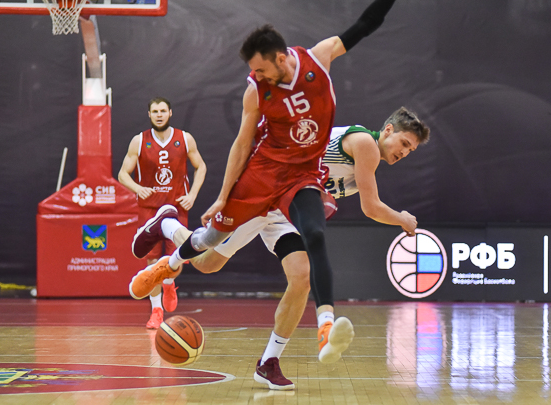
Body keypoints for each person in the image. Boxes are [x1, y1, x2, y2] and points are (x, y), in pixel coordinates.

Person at [128, 0, 414, 368]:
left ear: (281, 59)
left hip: (298, 182)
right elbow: (242, 144)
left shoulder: (319, 59)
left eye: (260, 69)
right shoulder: (257, 92)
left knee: (308, 257)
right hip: (263, 179)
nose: (255, 76)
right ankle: (167, 238)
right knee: (206, 256)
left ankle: (303, 340)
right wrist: (223, 196)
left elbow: (366, 24)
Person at [133, 108, 429, 389]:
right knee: (206, 262)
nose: (404, 152)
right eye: (404, 143)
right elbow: (371, 207)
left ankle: (269, 362)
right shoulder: (365, 144)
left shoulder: (368, 155)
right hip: (264, 194)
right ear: (387, 130)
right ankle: (166, 224)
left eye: (411, 150)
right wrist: (402, 219)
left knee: (301, 277)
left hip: (286, 211)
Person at [118, 97, 207, 329]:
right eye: (155, 111)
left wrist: (192, 195)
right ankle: (156, 310)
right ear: (149, 114)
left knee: (178, 257)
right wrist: (137, 188)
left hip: (176, 208)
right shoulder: (139, 141)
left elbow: (201, 166)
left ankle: (168, 283)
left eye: (163, 111)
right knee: (152, 261)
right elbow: (122, 174)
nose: (159, 115)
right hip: (150, 209)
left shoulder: (184, 138)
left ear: (170, 113)